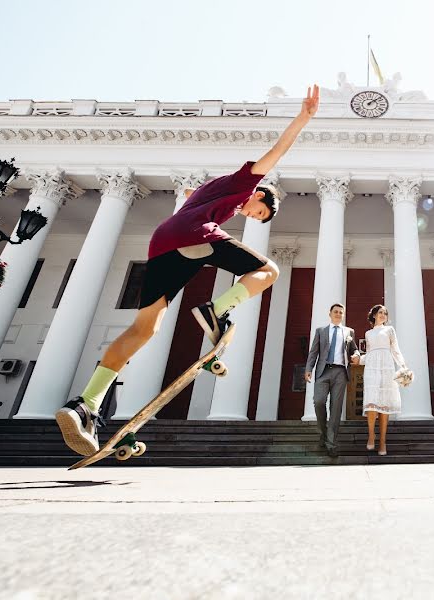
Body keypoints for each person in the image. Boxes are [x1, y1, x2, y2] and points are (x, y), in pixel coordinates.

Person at [54, 85, 321, 456]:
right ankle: (217, 309)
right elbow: (276, 152)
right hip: (192, 236)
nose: (251, 216)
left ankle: (85, 404)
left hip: (164, 244)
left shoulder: (214, 193)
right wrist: (303, 118)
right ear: (260, 195)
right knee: (269, 270)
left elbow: (197, 195)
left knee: (145, 328)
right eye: (258, 212)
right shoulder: (247, 182)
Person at [304, 303, 360, 457]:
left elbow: (353, 348)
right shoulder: (321, 331)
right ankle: (323, 432)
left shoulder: (349, 331)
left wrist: (357, 355)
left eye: (341, 312)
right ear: (330, 314)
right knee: (319, 402)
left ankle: (331, 444)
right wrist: (309, 369)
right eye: (335, 312)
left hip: (340, 372)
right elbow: (314, 351)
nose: (338, 314)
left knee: (336, 409)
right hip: (323, 371)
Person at [359, 305, 406, 456]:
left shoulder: (390, 330)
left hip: (386, 366)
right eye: (380, 313)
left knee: (384, 404)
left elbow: (395, 349)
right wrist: (358, 359)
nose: (383, 315)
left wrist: (403, 365)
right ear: (373, 315)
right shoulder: (368, 333)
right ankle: (372, 434)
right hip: (372, 367)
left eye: (385, 313)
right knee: (372, 402)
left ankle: (382, 441)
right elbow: (370, 353)